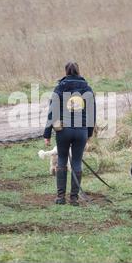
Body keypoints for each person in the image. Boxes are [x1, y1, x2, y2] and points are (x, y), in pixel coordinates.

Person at [43, 62, 96, 206]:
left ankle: (60, 198)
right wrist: (89, 133)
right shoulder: (87, 89)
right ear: (79, 71)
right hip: (81, 131)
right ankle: (74, 199)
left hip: (64, 130)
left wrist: (47, 134)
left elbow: (52, 112)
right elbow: (92, 114)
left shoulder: (60, 88)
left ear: (66, 71)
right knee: (77, 162)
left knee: (61, 160)